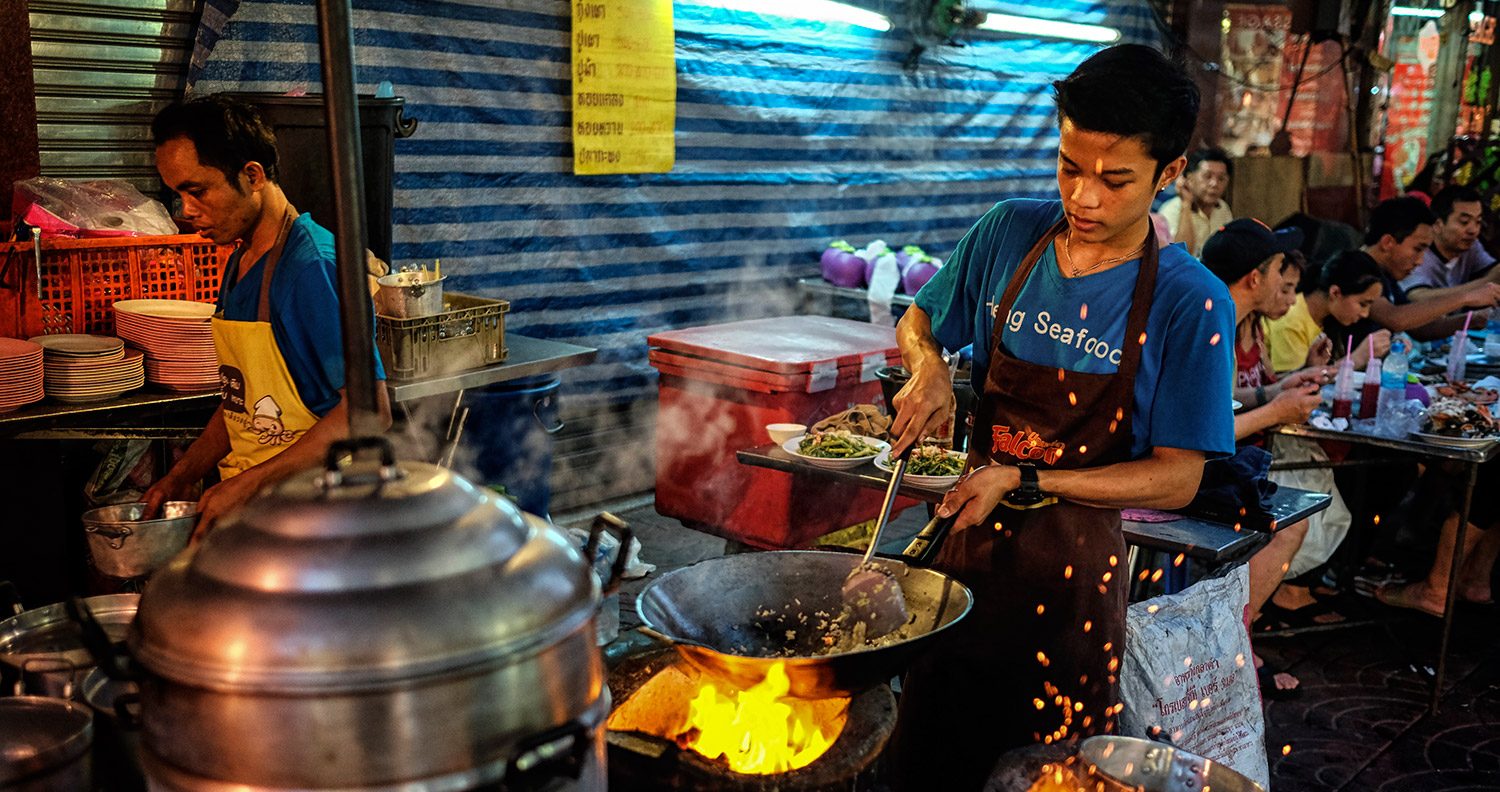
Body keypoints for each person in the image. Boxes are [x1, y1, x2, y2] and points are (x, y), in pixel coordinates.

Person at [886, 45, 1236, 789]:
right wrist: (930, 369)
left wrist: (1029, 478)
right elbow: (919, 322)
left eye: (1115, 181)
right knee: (928, 765)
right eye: (1070, 168)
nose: (1084, 198)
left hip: (1074, 591)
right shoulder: (1008, 233)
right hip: (962, 565)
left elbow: (1176, 480)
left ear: (1168, 174)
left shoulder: (1190, 301)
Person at [142, 95, 392, 537]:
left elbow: (368, 411)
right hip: (264, 508)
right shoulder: (240, 259)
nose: (185, 211)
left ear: (251, 175)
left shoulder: (312, 268)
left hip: (320, 512)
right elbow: (242, 399)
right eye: (176, 194)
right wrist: (183, 473)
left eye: (196, 190)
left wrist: (247, 484)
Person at [1336, 197, 1500, 350]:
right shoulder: (1356, 269)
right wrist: (1466, 297)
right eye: (1418, 249)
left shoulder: (1385, 275)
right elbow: (1396, 319)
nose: (1420, 261)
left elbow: (1420, 329)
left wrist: (1475, 318)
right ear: (1388, 242)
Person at [1402, 184, 1499, 298]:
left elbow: (1495, 270)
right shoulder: (1418, 252)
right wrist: (1485, 286)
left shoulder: (1471, 246)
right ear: (1438, 225)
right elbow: (1417, 297)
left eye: (1478, 222)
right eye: (1464, 222)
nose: (1473, 230)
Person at [1158, 147, 1234, 258]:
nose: (1214, 184)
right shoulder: (1171, 209)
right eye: (1207, 176)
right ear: (1189, 178)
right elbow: (1180, 255)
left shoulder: (1222, 208)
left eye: (1221, 179)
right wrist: (1186, 205)